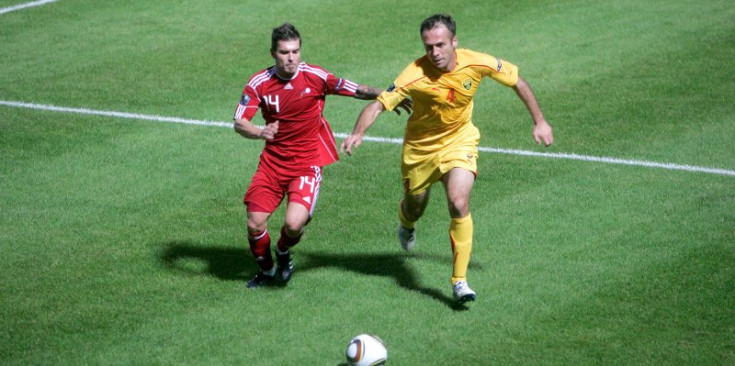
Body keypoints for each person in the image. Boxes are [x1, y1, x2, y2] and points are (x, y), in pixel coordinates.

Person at [340, 14, 553, 303]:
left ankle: (459, 281)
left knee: (458, 202)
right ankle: (407, 222)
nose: (434, 53)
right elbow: (378, 105)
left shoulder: (477, 62)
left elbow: (517, 81)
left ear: (454, 41)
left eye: (440, 45)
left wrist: (539, 120)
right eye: (428, 47)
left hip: (459, 141)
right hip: (419, 150)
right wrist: (358, 132)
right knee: (416, 207)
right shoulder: (414, 74)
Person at [233, 23, 410, 289]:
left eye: (295, 51)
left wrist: (387, 95)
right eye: (284, 52)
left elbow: (355, 89)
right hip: (272, 164)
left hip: (307, 164)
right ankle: (267, 271)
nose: (291, 57)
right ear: (273, 53)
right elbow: (239, 122)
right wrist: (259, 132)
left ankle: (282, 251)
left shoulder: (315, 76)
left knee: (294, 225)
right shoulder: (259, 83)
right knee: (255, 223)